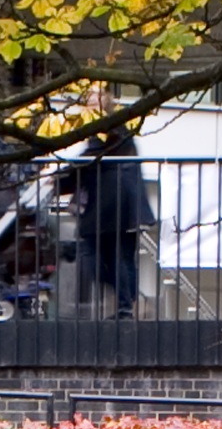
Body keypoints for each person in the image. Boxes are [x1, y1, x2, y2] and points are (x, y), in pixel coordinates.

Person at [66, 126, 157, 316]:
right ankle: (128, 303)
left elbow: (90, 159)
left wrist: (63, 176)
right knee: (101, 260)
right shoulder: (106, 140)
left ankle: (126, 307)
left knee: (118, 259)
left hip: (117, 210)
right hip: (104, 212)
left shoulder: (117, 135)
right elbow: (84, 167)